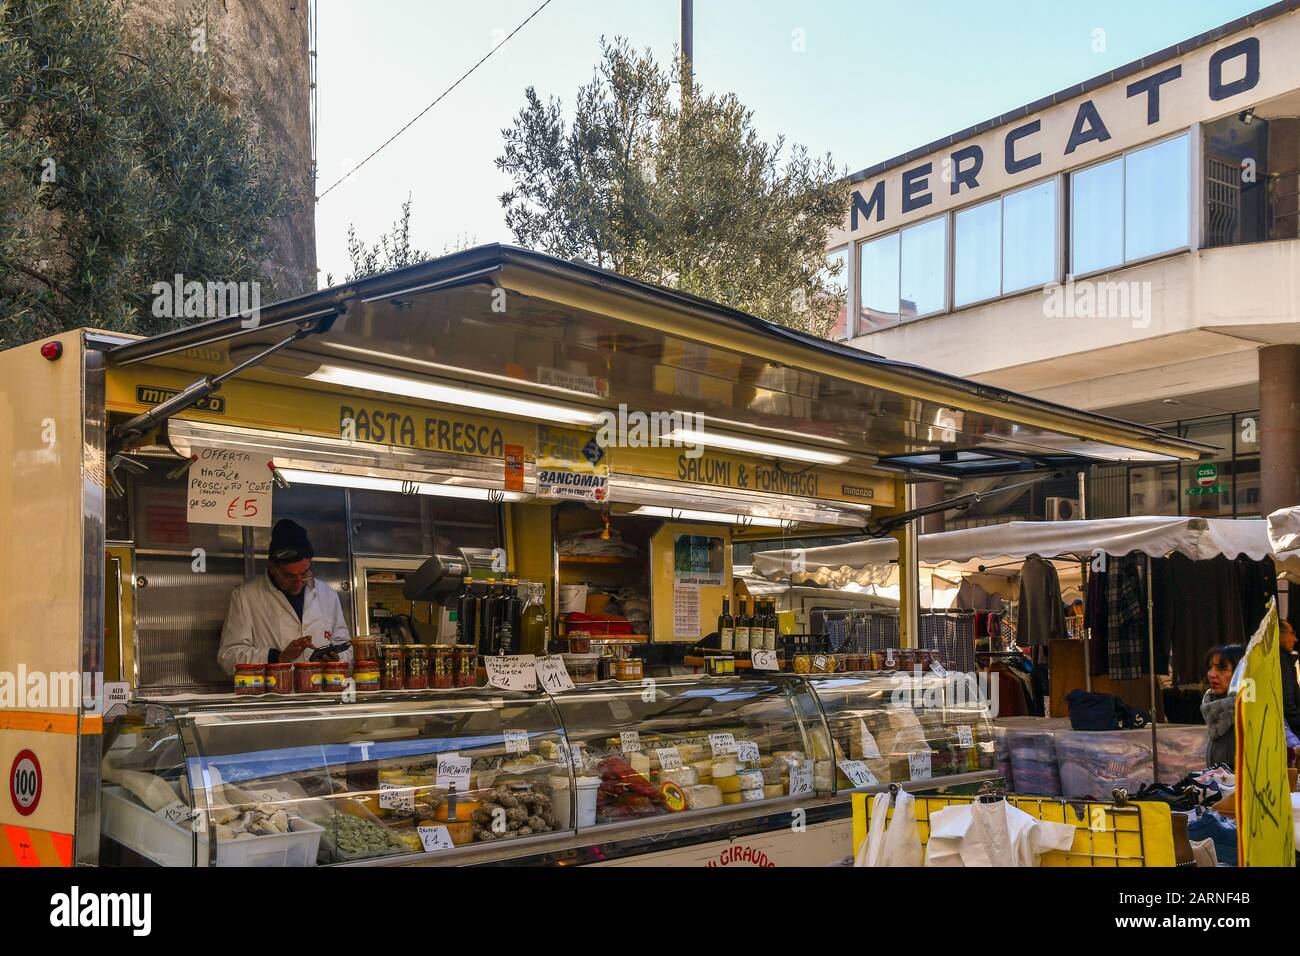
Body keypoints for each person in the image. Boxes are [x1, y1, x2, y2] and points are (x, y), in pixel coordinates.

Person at [218, 519, 351, 674]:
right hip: (273, 693)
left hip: (319, 692)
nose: (299, 582)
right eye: (290, 576)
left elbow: (346, 647)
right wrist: (277, 658)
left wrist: (336, 659)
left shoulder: (327, 594)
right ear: (273, 568)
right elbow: (228, 657)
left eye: (305, 573)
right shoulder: (245, 597)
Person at [1201, 643, 1244, 769]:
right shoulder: (1214, 712)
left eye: (1222, 668)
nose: (1211, 674)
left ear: (1240, 674)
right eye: (1210, 667)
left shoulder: (1254, 713)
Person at [1280, 620, 1300, 743]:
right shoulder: (1282, 660)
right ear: (1279, 635)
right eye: (1292, 633)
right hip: (1291, 731)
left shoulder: (1285, 658)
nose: (1295, 639)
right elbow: (1288, 704)